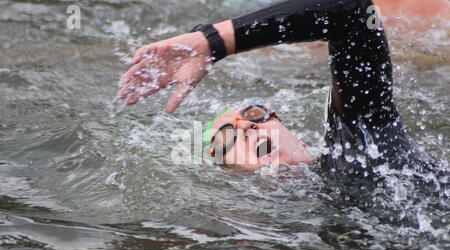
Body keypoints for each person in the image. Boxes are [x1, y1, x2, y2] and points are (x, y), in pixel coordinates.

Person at [117, 0, 445, 177]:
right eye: (226, 140)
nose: (244, 125)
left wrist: (212, 42)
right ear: (235, 178)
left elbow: (352, 12)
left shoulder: (362, 144)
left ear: (300, 139)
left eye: (255, 114)